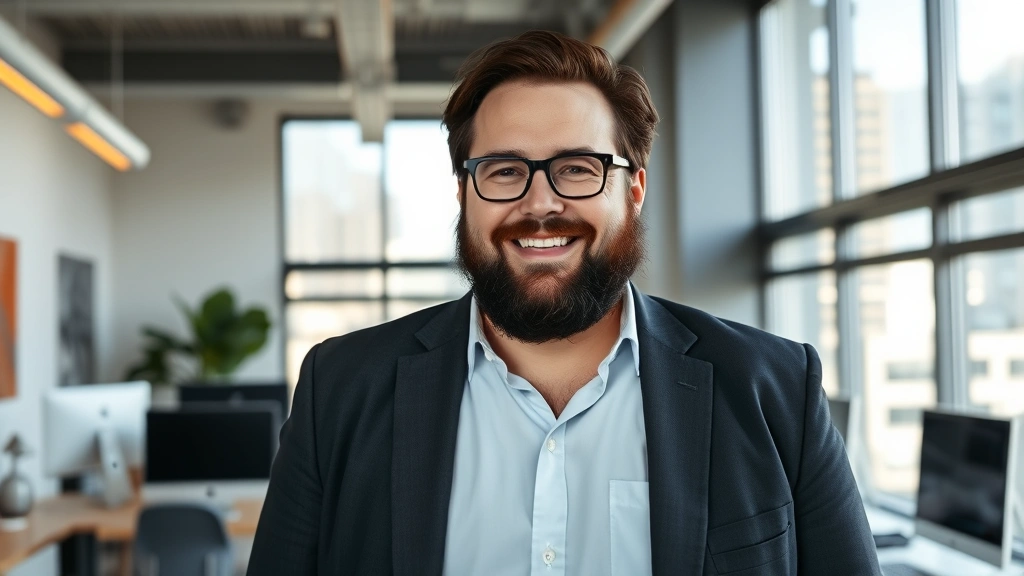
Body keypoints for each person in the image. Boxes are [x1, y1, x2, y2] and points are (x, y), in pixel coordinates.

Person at [248, 30, 880, 576]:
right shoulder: (341, 389)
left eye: (577, 168)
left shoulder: (775, 390)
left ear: (634, 189)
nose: (540, 204)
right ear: (464, 193)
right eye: (504, 170)